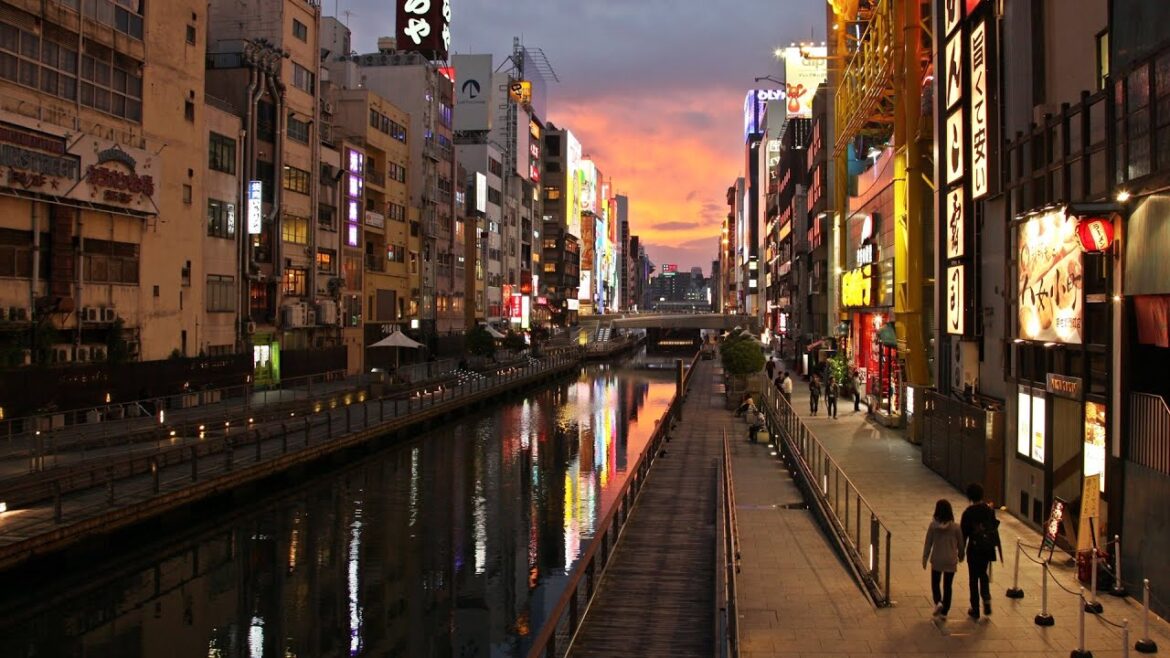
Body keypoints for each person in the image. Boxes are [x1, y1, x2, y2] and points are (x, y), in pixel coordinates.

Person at [960, 483, 1002, 621]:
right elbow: (993, 527)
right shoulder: (989, 510)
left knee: (973, 578)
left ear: (969, 497)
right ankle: (987, 599)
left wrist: (960, 552)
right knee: (983, 574)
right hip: (987, 548)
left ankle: (975, 609)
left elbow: (963, 534)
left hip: (974, 548)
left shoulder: (968, 513)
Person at [923, 499, 964, 623]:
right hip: (950, 560)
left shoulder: (933, 526)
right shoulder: (956, 528)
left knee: (935, 583)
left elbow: (928, 543)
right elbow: (961, 544)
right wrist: (961, 556)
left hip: (937, 558)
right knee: (948, 586)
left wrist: (925, 558)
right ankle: (945, 611)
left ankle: (938, 602)